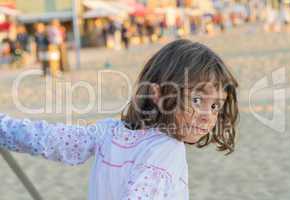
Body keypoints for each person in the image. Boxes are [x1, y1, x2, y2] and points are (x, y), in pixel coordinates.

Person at [0, 39, 239, 199]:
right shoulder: (167, 151)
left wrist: (4, 128)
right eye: (197, 100)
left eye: (216, 105)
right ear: (157, 94)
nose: (209, 116)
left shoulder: (109, 132)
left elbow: (47, 139)